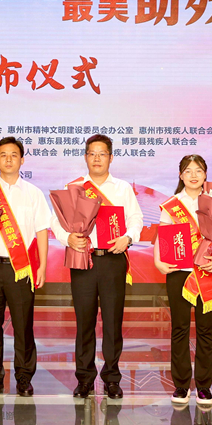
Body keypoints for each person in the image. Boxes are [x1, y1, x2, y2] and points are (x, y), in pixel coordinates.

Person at [52, 134, 143, 400]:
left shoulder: (122, 188)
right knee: (85, 322)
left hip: (113, 260)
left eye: (102, 154)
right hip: (84, 259)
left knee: (113, 322)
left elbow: (136, 219)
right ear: (85, 157)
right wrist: (67, 238)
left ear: (111, 158)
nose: (97, 158)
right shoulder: (75, 187)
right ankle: (84, 379)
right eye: (92, 153)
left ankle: (112, 378)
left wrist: (128, 238)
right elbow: (56, 220)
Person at [0, 137, 51, 397]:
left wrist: (42, 266)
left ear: (22, 160)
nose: (8, 159)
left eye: (14, 155)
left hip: (21, 268)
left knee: (23, 325)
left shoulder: (33, 193)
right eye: (3, 155)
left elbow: (42, 231)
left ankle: (24, 377)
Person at [153, 154, 212, 406]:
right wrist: (158, 261)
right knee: (179, 328)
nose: (193, 175)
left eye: (198, 170)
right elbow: (162, 236)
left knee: (206, 330)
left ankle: (204, 386)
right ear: (181, 175)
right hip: (179, 273)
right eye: (188, 171)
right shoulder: (173, 204)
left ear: (205, 174)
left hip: (207, 271)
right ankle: (180, 385)